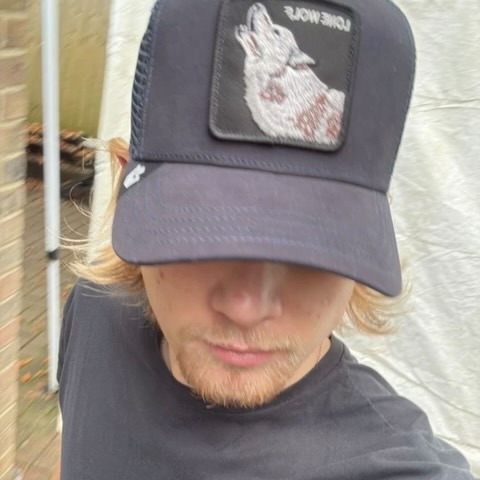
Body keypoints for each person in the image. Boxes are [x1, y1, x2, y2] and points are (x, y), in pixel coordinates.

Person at [57, 0, 479, 478]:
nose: (246, 306)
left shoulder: (399, 468)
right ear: (124, 191)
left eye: (311, 250)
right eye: (200, 230)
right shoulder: (94, 316)